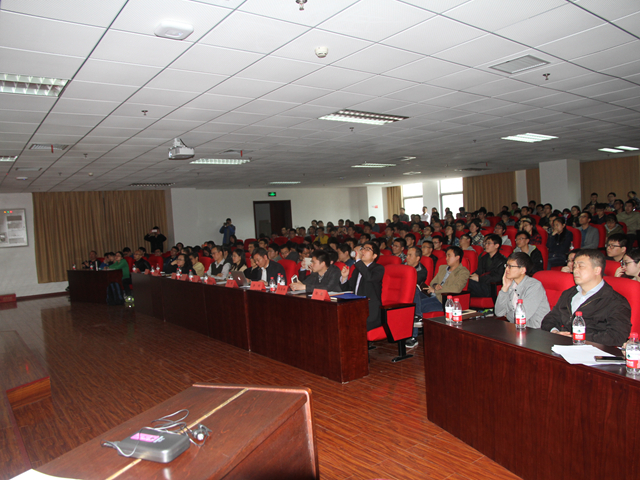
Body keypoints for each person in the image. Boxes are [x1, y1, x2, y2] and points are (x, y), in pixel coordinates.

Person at [541, 249, 631, 346]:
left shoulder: (615, 301)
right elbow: (549, 320)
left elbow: (617, 336)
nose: (575, 270)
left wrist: (578, 337)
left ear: (597, 270)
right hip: (561, 345)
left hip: (592, 350)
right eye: (574, 266)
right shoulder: (569, 294)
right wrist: (555, 332)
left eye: (581, 266)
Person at [495, 252, 550, 328]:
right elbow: (499, 313)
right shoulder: (511, 284)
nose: (506, 269)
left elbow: (522, 317)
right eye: (506, 265)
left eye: (510, 266)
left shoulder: (534, 286)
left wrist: (507, 315)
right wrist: (505, 288)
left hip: (535, 329)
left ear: (522, 270)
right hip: (516, 328)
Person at [340, 242, 384, 332]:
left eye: (367, 249)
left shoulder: (378, 268)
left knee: (353, 328)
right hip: (356, 307)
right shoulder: (357, 270)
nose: (363, 251)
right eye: (362, 248)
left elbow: (369, 277)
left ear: (374, 256)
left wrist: (358, 261)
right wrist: (344, 277)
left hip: (370, 310)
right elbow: (347, 288)